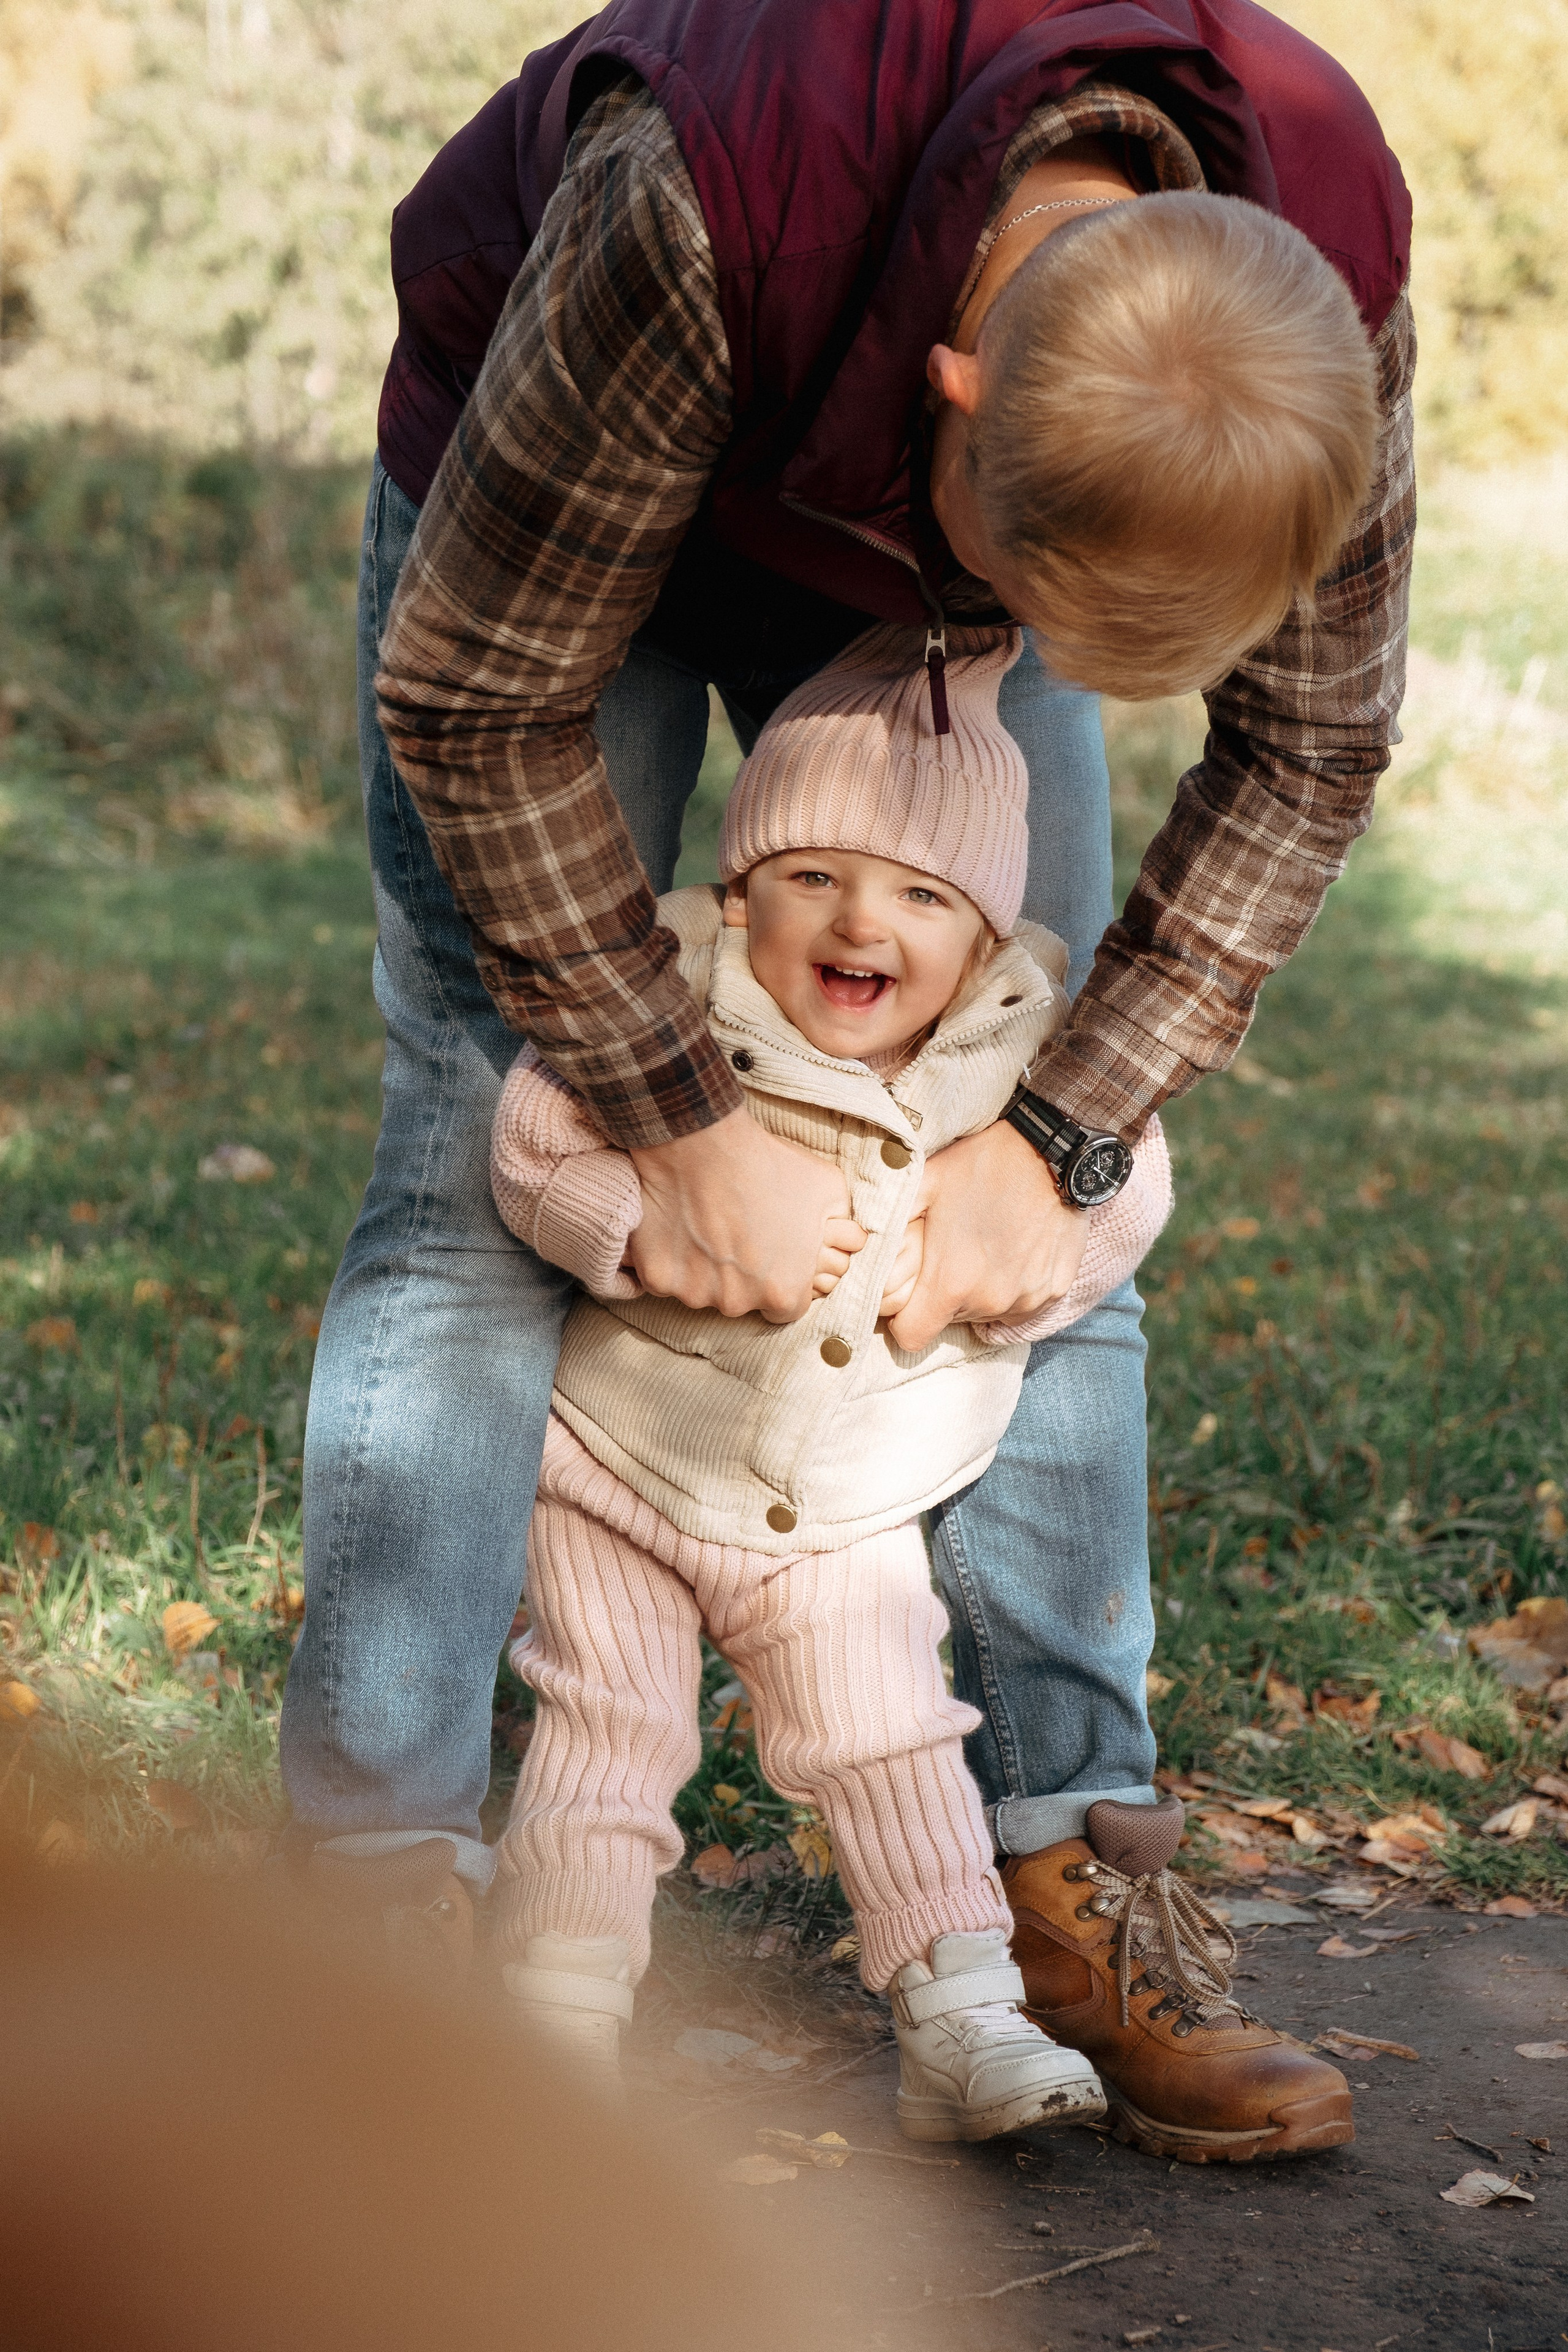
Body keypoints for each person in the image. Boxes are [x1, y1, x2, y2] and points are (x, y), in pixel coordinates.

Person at [282, 0, 1414, 2163]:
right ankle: (371, 1955)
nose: (1065, 689)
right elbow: (478, 697)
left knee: (1049, 1222)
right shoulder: (699, 201)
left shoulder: (1318, 265)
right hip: (557, 542)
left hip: (913, 504)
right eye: (1052, 612)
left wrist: (1062, 1137)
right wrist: (675, 1118)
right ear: (962, 411)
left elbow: (1316, 743)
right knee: (471, 1157)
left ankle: (1066, 1882)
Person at [489, 626, 1175, 2142]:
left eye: (921, 896)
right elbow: (532, 1141)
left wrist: (1011, 1281)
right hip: (618, 1464)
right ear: (739, 898)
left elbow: (1124, 1199)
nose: (861, 916)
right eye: (809, 876)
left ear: (985, 940)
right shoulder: (671, 1001)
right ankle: (556, 2017)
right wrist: (627, 1229)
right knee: (609, 1731)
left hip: (849, 1504)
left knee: (892, 1742)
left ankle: (963, 2018)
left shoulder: (1025, 1060)